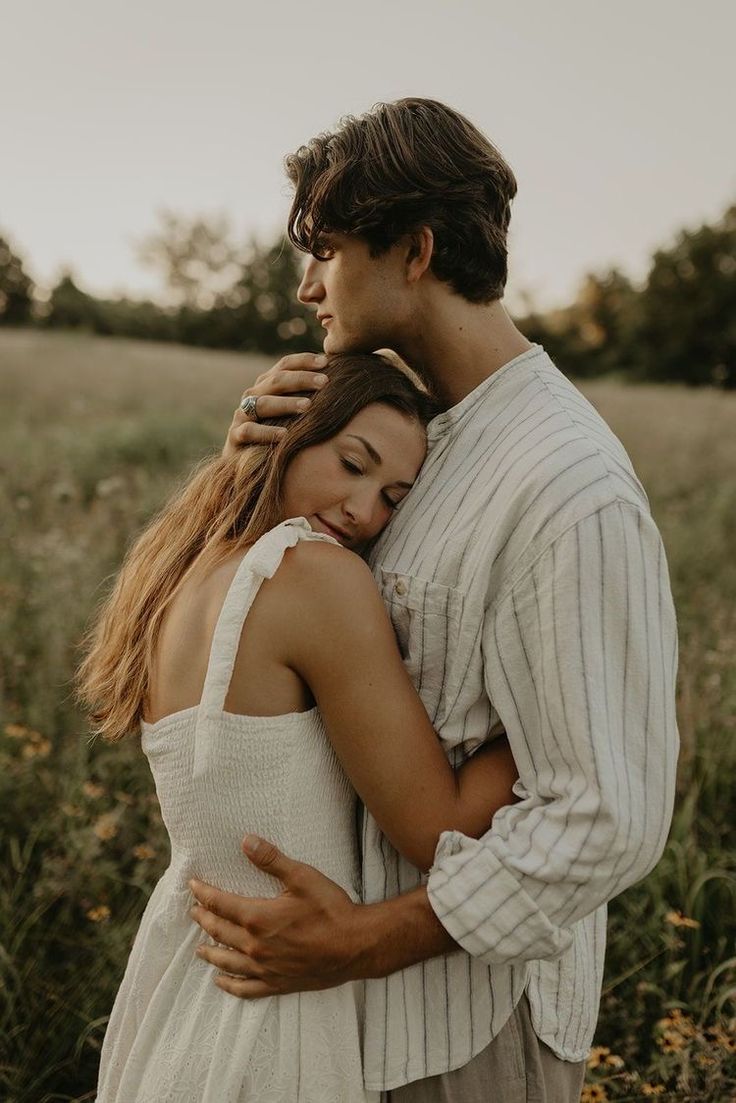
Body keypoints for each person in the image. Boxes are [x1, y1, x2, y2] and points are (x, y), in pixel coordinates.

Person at [188, 98, 680, 1102]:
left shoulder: (565, 486)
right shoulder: (411, 434)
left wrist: (360, 943)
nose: (305, 283)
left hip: (465, 1032)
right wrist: (246, 479)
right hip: (341, 1013)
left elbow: (603, 816)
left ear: (411, 250)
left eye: (325, 248)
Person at [77, 352, 521, 1102]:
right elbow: (439, 829)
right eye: (352, 464)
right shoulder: (312, 573)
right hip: (272, 1014)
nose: (362, 511)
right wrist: (542, 714)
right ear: (292, 432)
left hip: (180, 991)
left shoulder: (181, 567)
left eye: (392, 497)